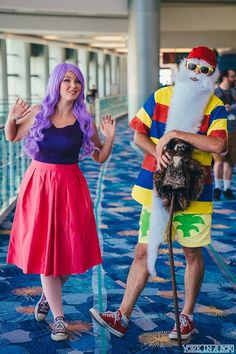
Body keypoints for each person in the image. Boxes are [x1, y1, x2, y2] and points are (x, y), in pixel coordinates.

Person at [89, 46, 227, 340]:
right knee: (143, 250)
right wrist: (157, 150)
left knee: (191, 253)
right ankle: (122, 316)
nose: (196, 74)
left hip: (195, 195)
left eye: (204, 70)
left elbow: (219, 146)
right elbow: (139, 133)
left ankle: (187, 317)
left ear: (211, 76)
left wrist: (175, 134)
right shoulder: (160, 96)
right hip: (155, 191)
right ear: (184, 65)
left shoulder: (215, 106)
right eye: (193, 66)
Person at [5, 63, 115, 341]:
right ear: (56, 83)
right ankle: (59, 319)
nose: (72, 85)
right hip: (39, 186)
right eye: (67, 80)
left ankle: (46, 297)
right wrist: (11, 116)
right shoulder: (40, 113)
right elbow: (12, 135)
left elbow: (99, 157)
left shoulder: (83, 119)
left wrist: (110, 137)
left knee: (71, 252)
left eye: (77, 81)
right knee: (47, 256)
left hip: (70, 189)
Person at [213, 69, 236, 200]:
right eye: (232, 76)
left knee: (230, 162)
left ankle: (227, 189)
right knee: (219, 161)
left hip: (233, 131)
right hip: (219, 131)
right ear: (225, 77)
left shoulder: (234, 92)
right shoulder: (216, 93)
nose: (234, 79)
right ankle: (217, 187)